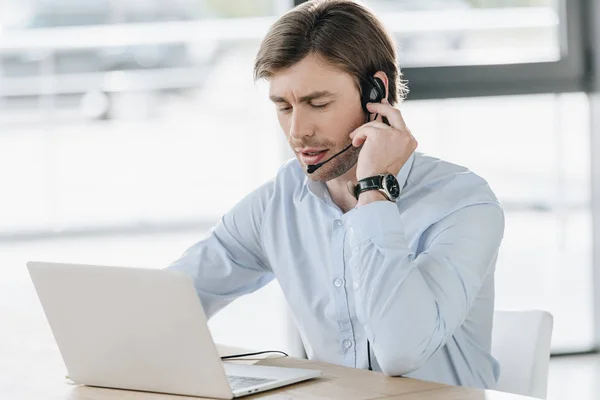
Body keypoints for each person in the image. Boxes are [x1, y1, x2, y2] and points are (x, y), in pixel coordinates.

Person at [168, 0, 504, 389]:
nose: (297, 130)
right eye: (283, 106)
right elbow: (175, 299)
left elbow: (400, 349)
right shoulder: (280, 201)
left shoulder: (463, 203)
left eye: (318, 103)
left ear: (376, 93)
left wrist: (375, 189)